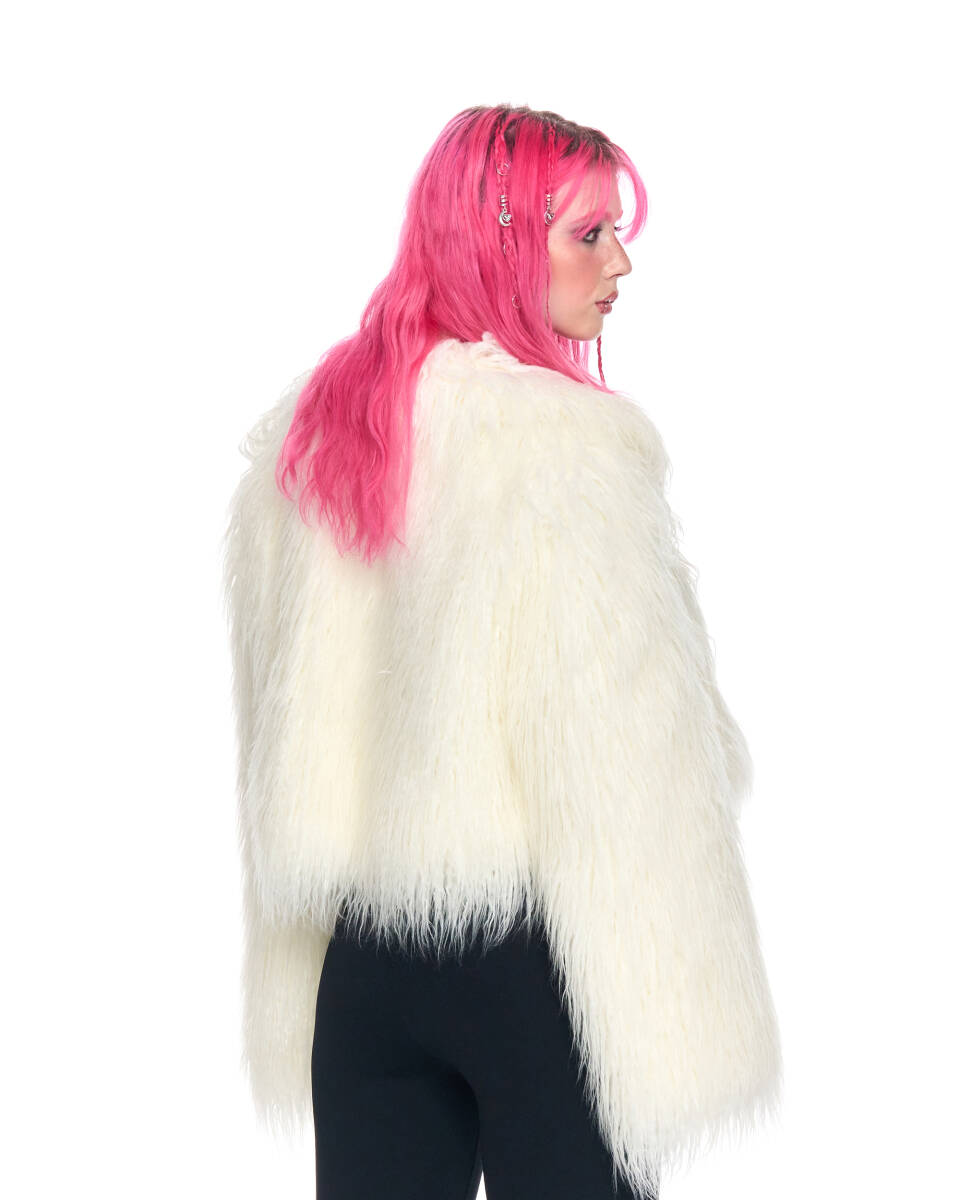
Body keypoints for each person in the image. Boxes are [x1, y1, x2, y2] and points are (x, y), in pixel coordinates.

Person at [221, 104, 783, 1199]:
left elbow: (272, 727)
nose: (620, 264)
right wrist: (675, 1006)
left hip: (364, 968)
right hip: (538, 965)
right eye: (589, 234)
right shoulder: (565, 448)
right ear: (502, 240)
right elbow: (631, 751)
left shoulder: (313, 438)